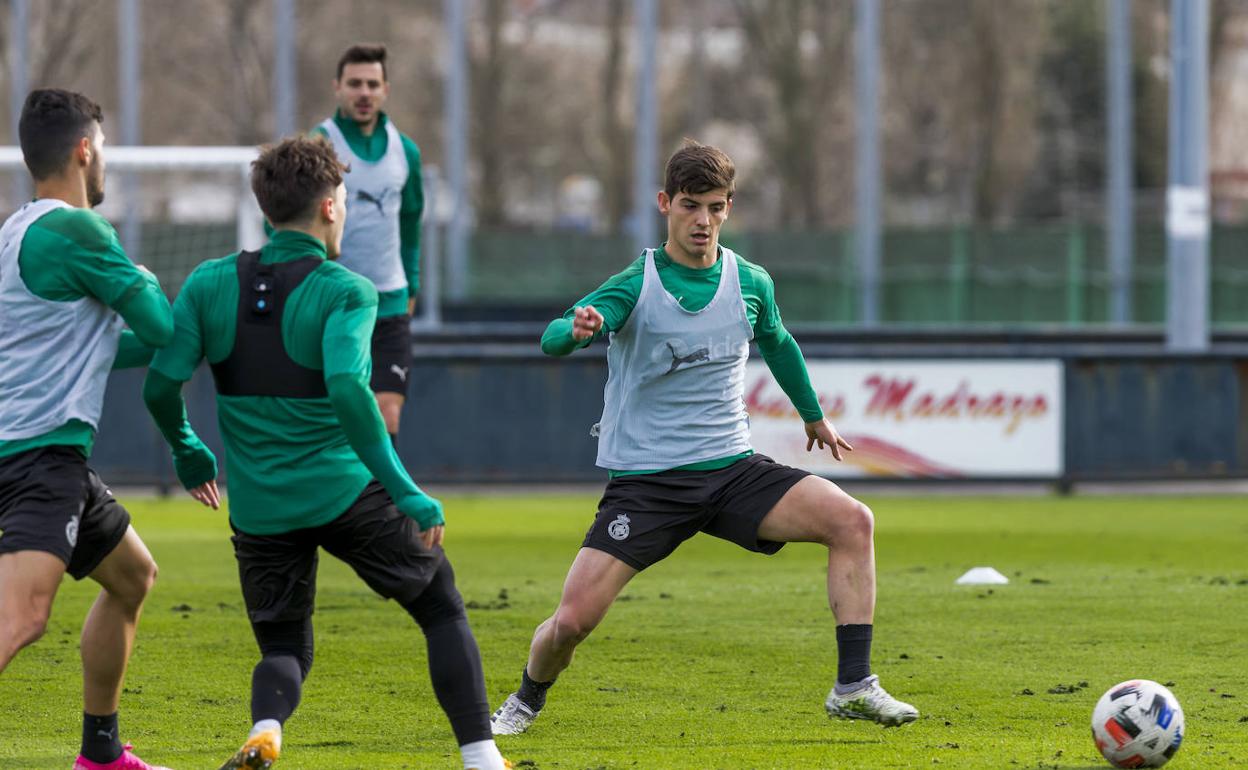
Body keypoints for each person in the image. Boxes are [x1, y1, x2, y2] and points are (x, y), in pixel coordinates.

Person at [490, 141, 918, 736]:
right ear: (665, 203)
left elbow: (778, 341)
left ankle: (854, 687)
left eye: (715, 207)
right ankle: (526, 699)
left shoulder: (750, 280)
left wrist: (813, 415)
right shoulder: (634, 283)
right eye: (690, 206)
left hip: (732, 471)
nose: (703, 221)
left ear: (729, 207)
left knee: (853, 521)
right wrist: (576, 330)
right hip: (648, 484)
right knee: (571, 623)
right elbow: (552, 339)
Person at [141, 136, 508, 770]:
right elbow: (346, 388)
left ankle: (265, 730)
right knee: (440, 603)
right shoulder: (347, 289)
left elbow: (159, 383)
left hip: (259, 509)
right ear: (332, 208)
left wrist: (187, 450)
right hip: (344, 493)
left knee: (284, 644)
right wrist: (404, 489)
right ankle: (481, 758)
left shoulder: (206, 282)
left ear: (265, 210)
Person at [0, 88, 209, 770]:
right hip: (35, 460)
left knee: (132, 577)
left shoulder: (17, 231)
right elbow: (160, 328)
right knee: (22, 619)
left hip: (47, 456)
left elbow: (117, 348)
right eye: (105, 146)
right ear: (86, 150)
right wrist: (143, 281)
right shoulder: (80, 232)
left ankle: (99, 756)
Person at [312, 42, 425, 443]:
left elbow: (411, 222)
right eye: (355, 83)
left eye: (372, 84)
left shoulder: (405, 151)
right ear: (337, 88)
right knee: (337, 415)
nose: (364, 92)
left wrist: (412, 283)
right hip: (334, 302)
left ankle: (384, 506)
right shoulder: (320, 146)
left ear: (385, 90)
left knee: (386, 412)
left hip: (390, 303)